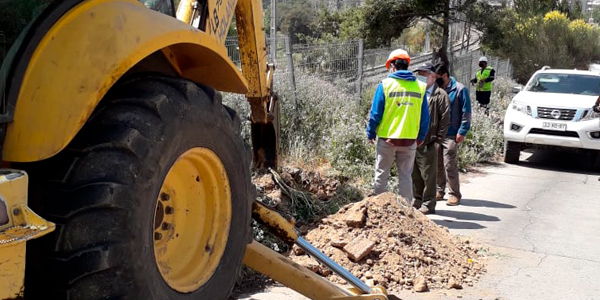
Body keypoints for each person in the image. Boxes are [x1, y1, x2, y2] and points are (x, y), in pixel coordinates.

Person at [366, 49, 430, 200]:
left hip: (387, 139)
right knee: (406, 177)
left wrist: (370, 133)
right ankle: (405, 213)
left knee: (382, 176)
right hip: (409, 141)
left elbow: (375, 114)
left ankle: (378, 211)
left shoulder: (385, 85)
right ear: (407, 65)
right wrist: (420, 137)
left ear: (392, 66)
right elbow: (425, 118)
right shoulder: (420, 87)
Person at [411, 63, 450, 214]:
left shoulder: (440, 95)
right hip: (414, 140)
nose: (421, 76)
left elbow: (445, 119)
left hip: (429, 141)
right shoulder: (415, 91)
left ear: (434, 77)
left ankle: (428, 203)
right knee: (415, 173)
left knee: (429, 175)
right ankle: (417, 199)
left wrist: (438, 140)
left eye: (425, 74)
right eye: (420, 73)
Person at [435, 64, 471, 206]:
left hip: (452, 133)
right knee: (437, 164)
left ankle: (454, 194)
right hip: (438, 134)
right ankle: (439, 190)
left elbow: (466, 111)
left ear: (444, 75)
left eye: (437, 77)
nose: (434, 79)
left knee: (449, 164)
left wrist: (462, 131)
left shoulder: (460, 89)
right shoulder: (437, 90)